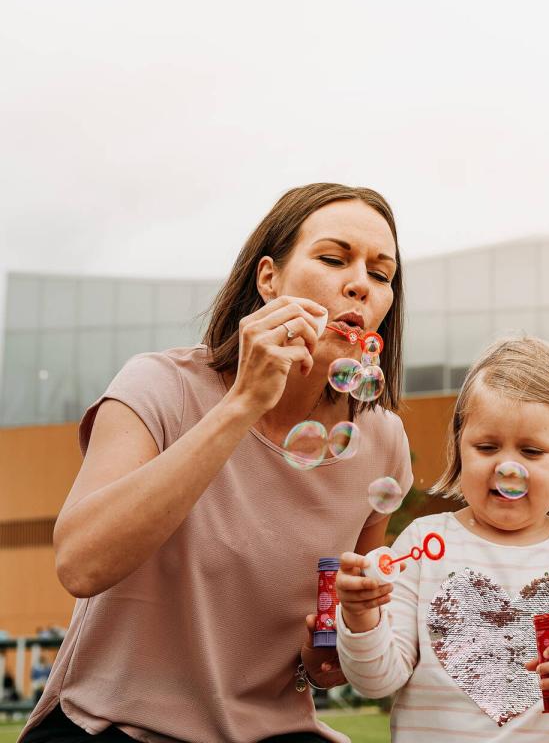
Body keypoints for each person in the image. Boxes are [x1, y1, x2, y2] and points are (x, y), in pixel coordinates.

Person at [20, 184, 414, 743]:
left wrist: (331, 648)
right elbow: (80, 565)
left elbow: (348, 630)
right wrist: (242, 404)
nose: (361, 284)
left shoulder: (382, 442)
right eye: (333, 258)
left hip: (270, 732)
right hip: (116, 727)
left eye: (381, 274)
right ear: (268, 279)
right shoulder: (159, 387)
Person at [335, 337, 549, 740]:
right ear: (459, 442)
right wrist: (361, 618)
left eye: (532, 452)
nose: (507, 468)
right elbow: (375, 681)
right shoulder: (423, 545)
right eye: (486, 446)